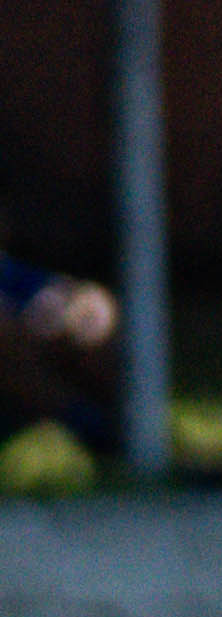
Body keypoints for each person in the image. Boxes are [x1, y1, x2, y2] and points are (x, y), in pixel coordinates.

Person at [0, 198, 123, 467]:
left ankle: (133, 434)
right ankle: (89, 427)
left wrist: (86, 312)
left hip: (45, 357)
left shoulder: (11, 273)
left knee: (93, 321)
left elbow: (78, 297)